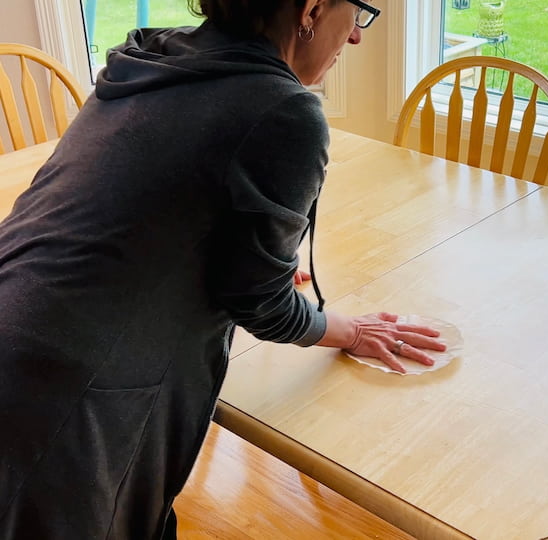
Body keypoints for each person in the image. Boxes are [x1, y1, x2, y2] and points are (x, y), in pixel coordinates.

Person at [0, 0, 447, 538]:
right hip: (63, 399)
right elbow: (260, 304)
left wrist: (250, 256)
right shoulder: (282, 109)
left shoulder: (153, 59)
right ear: (311, 9)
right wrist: (347, 329)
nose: (355, 37)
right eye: (358, 12)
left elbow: (147, 203)